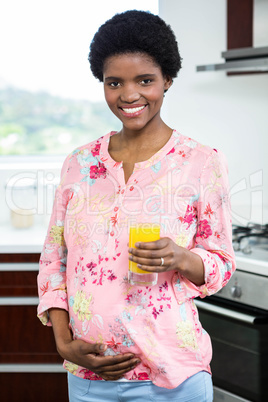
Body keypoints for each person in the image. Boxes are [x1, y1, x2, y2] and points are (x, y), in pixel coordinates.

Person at [37, 10, 236, 402]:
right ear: (103, 85)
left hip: (174, 376)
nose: (129, 95)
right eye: (115, 83)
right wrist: (64, 342)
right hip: (91, 376)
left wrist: (181, 257)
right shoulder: (78, 163)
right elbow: (53, 261)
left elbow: (221, 263)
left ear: (168, 80)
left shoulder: (201, 161)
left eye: (145, 80)